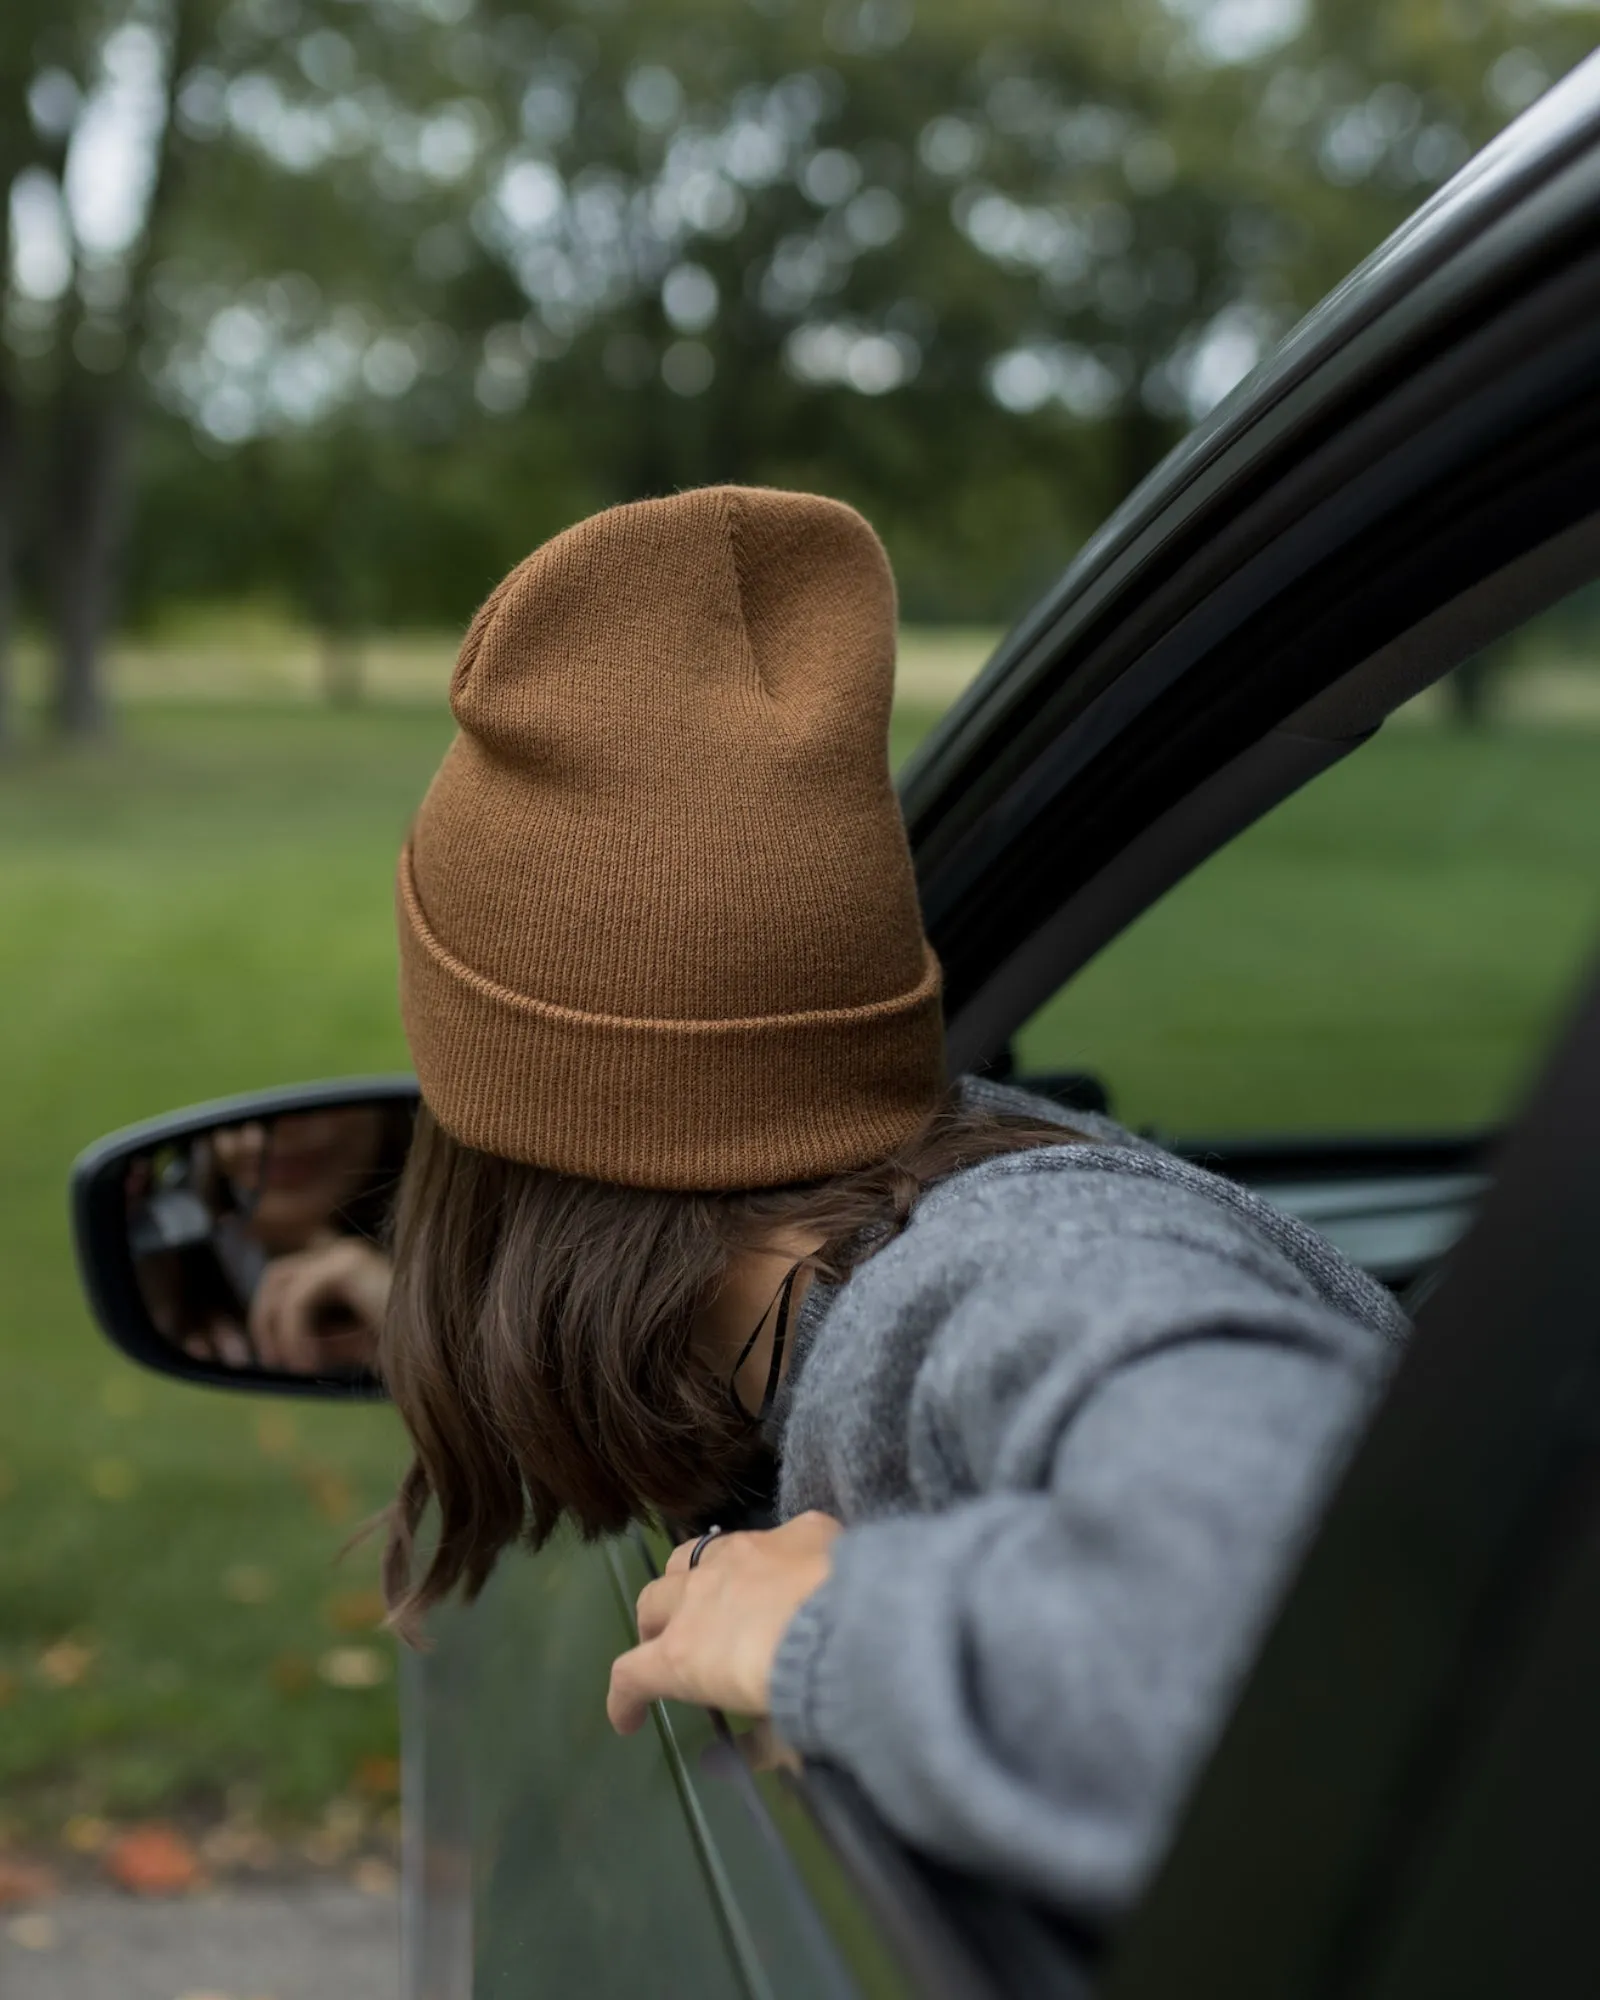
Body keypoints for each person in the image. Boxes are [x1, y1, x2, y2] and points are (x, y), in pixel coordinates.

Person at [377, 486, 1407, 1926]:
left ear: (515, 1150)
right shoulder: (944, 1251)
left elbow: (1362, 1662)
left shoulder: (994, 1281)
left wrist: (829, 1632)